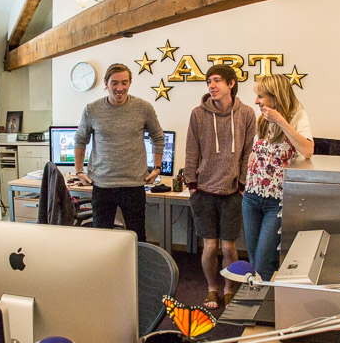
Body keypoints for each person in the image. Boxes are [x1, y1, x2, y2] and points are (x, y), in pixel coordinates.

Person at [184, 64, 255, 310]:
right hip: (203, 191)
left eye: (216, 81)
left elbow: (249, 153)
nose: (211, 86)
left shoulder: (246, 114)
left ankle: (229, 289)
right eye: (209, 82)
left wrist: (242, 184)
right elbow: (191, 150)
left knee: (228, 247)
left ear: (231, 83)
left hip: (233, 192)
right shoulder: (198, 114)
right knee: (210, 245)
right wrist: (192, 186)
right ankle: (212, 289)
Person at [75, 63, 164, 240]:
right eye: (114, 83)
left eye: (124, 82)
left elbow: (158, 137)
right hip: (102, 185)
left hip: (133, 185)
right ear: (106, 84)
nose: (120, 88)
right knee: (102, 238)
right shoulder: (92, 110)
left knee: (137, 237)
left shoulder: (144, 108)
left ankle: (136, 260)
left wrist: (157, 168)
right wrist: (78, 171)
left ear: (130, 83)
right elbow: (80, 140)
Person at [242, 74, 314, 280]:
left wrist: (280, 121)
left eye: (261, 96)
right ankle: (256, 295)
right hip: (252, 197)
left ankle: (264, 298)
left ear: (276, 96)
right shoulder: (262, 119)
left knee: (263, 263)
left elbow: (307, 150)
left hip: (277, 202)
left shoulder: (297, 116)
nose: (257, 101)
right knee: (254, 261)